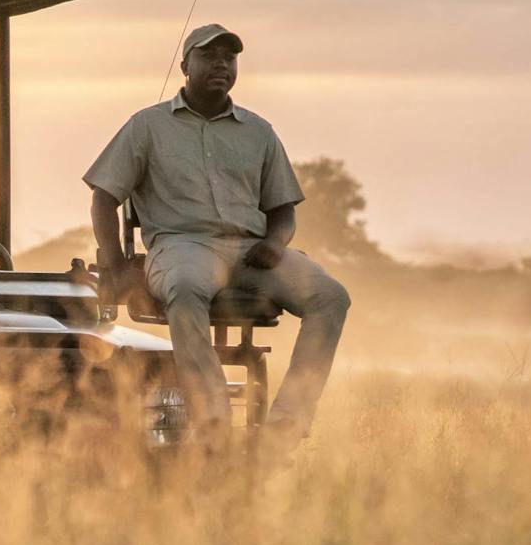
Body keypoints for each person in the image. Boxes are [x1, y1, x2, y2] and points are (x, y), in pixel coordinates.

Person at [83, 22, 350, 452]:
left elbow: (282, 209)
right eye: (208, 56)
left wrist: (275, 243)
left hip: (250, 251)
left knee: (331, 296)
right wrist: (116, 266)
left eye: (229, 57)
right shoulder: (147, 126)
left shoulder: (258, 131)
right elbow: (103, 197)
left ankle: (286, 425)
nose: (221, 64)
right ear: (185, 66)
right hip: (180, 245)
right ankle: (212, 422)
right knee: (187, 287)